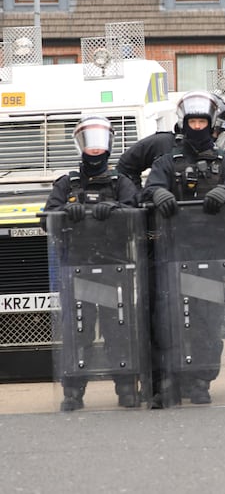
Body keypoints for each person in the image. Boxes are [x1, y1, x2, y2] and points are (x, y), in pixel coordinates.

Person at [141, 91, 225, 406]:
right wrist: (157, 193)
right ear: (184, 124)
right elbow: (148, 190)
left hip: (212, 254)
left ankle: (201, 379)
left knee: (206, 321)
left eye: (202, 121)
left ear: (211, 124)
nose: (197, 126)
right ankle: (172, 378)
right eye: (193, 121)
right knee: (170, 319)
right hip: (173, 253)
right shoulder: (166, 161)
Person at [46, 115, 141, 411]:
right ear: (81, 147)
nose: (95, 150)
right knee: (79, 330)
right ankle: (73, 391)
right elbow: (46, 217)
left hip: (114, 269)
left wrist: (116, 209)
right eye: (90, 143)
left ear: (109, 146)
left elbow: (137, 212)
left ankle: (126, 386)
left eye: (100, 143)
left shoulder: (120, 183)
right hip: (78, 268)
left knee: (118, 329)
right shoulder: (67, 183)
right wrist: (65, 213)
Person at [117, 94, 225, 190]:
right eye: (193, 122)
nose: (199, 127)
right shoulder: (162, 143)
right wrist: (136, 198)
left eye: (203, 123)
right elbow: (125, 166)